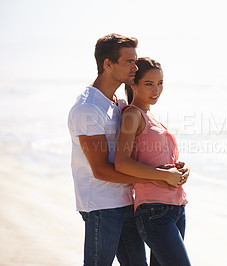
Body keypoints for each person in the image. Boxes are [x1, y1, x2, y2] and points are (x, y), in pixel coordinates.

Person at [68, 34, 188, 266]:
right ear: (108, 64)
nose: (135, 67)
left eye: (135, 61)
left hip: (127, 201)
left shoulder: (117, 104)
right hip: (101, 206)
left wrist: (168, 172)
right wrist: (159, 178)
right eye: (129, 62)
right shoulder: (88, 109)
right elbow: (101, 170)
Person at [115, 57, 191, 266]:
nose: (156, 89)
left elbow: (156, 160)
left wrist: (181, 170)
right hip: (153, 211)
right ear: (133, 84)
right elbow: (122, 162)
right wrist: (165, 175)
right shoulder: (132, 114)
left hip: (176, 207)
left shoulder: (152, 116)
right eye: (149, 83)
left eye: (160, 83)